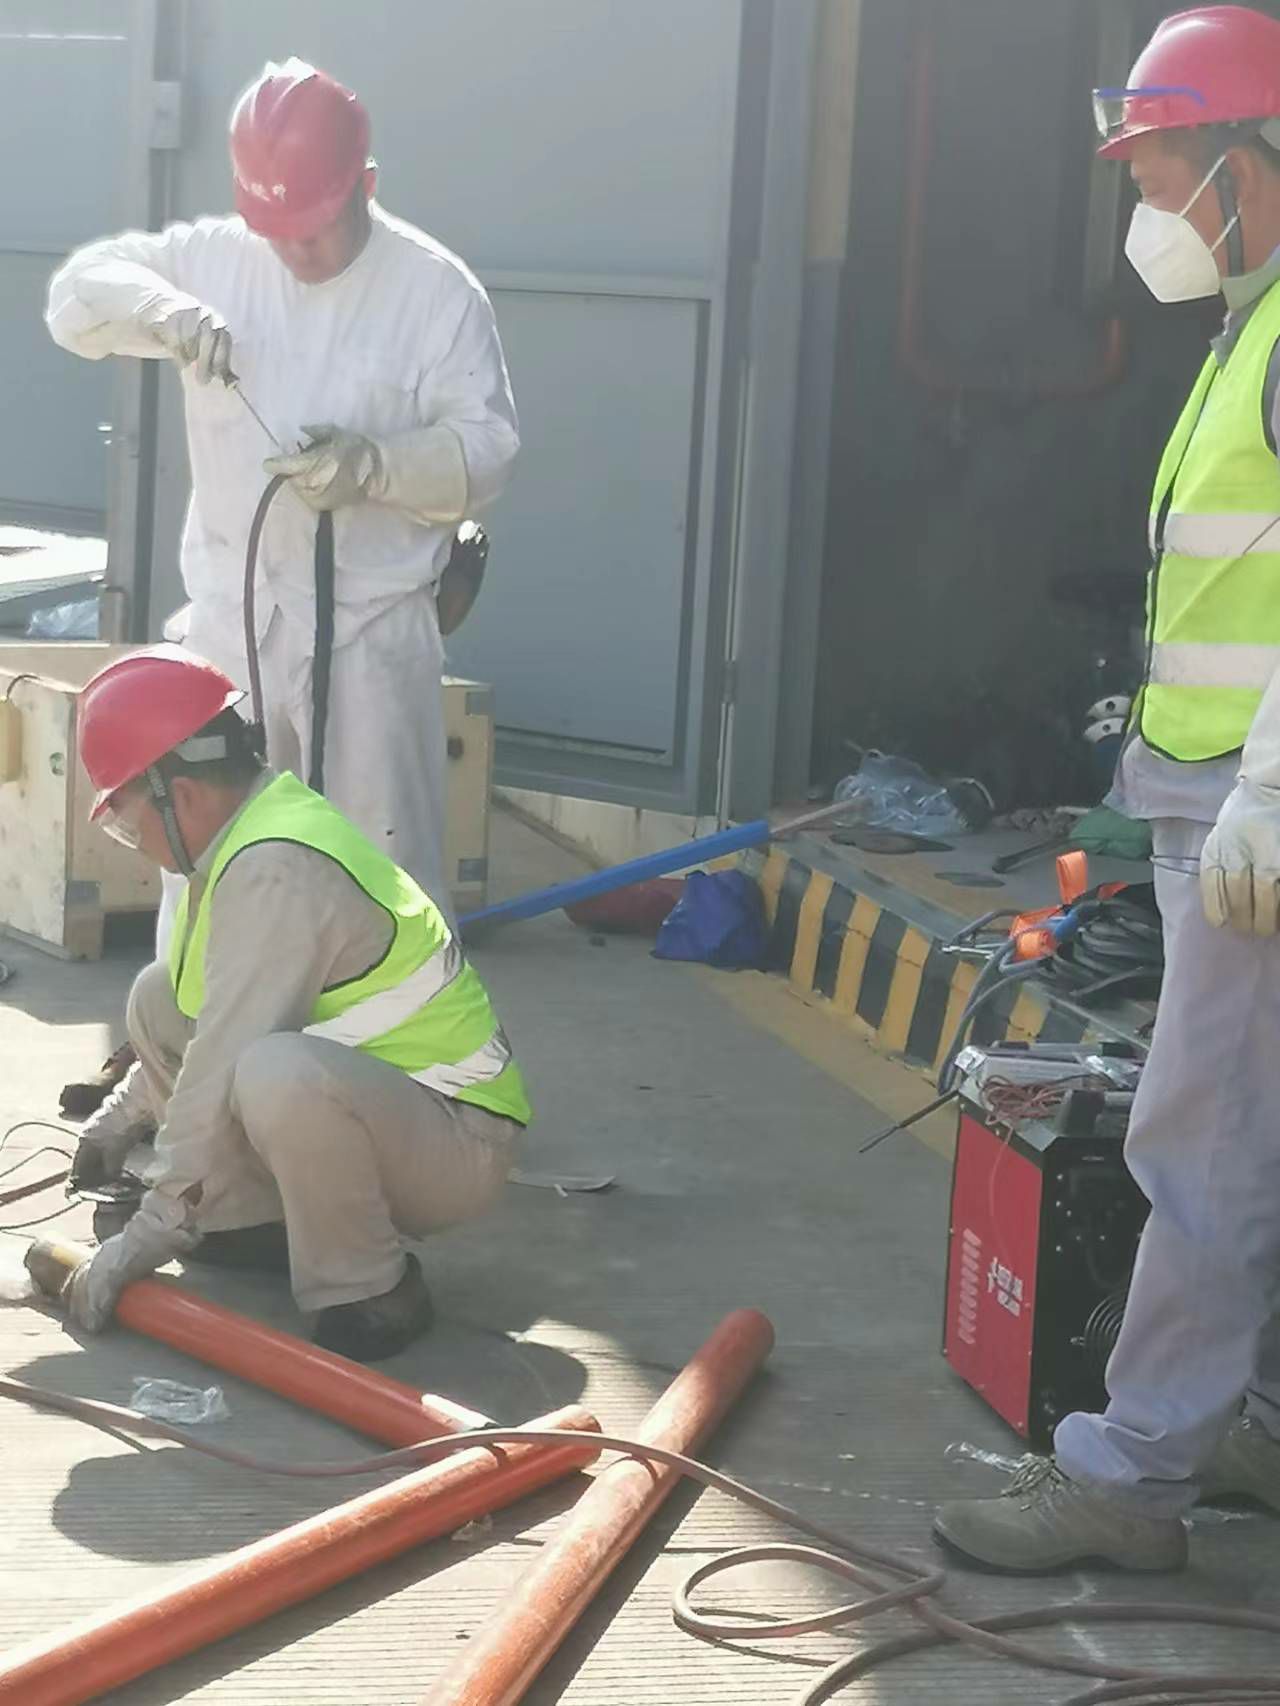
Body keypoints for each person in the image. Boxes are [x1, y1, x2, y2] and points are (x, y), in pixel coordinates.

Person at [935, 5, 1280, 1572]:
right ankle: (1255, 1417)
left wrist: (1267, 783)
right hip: (1215, 798)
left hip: (1255, 816)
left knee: (1200, 1136)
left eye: (1155, 178)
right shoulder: (1249, 331)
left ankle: (1133, 1478)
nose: (1146, 215)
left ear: (1245, 169)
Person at [46, 56, 518, 934]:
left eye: (317, 228)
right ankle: (200, 1023)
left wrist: (377, 466)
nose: (297, 251)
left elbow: (488, 453)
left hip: (370, 637)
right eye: (279, 230)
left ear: (365, 185)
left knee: (381, 883)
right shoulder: (216, 260)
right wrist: (160, 310)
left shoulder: (434, 294)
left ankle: (383, 1029)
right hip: (232, 632)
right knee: (209, 876)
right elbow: (76, 300)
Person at [59, 646, 529, 1363]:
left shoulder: (275, 867)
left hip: (458, 1137)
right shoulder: (245, 838)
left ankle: (370, 1286)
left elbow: (221, 1062)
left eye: (127, 823)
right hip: (395, 1105)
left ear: (181, 795)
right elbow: (207, 1016)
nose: (136, 844)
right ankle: (247, 1220)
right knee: (159, 994)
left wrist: (144, 1237)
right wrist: (120, 1120)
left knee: (275, 1074)